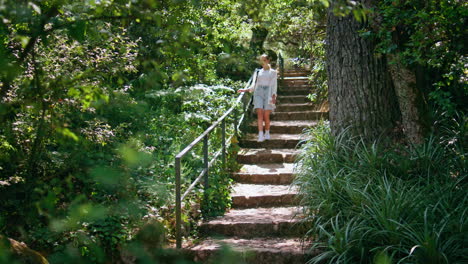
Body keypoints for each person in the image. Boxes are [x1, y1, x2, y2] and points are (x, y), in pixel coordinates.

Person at [238, 54, 277, 142]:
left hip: (269, 93)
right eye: (261, 60)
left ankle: (267, 132)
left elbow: (274, 86)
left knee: (266, 115)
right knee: (260, 114)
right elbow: (254, 85)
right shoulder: (258, 72)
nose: (262, 62)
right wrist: (245, 90)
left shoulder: (273, 72)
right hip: (258, 92)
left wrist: (274, 96)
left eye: (264, 60)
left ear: (268, 60)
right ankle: (260, 135)